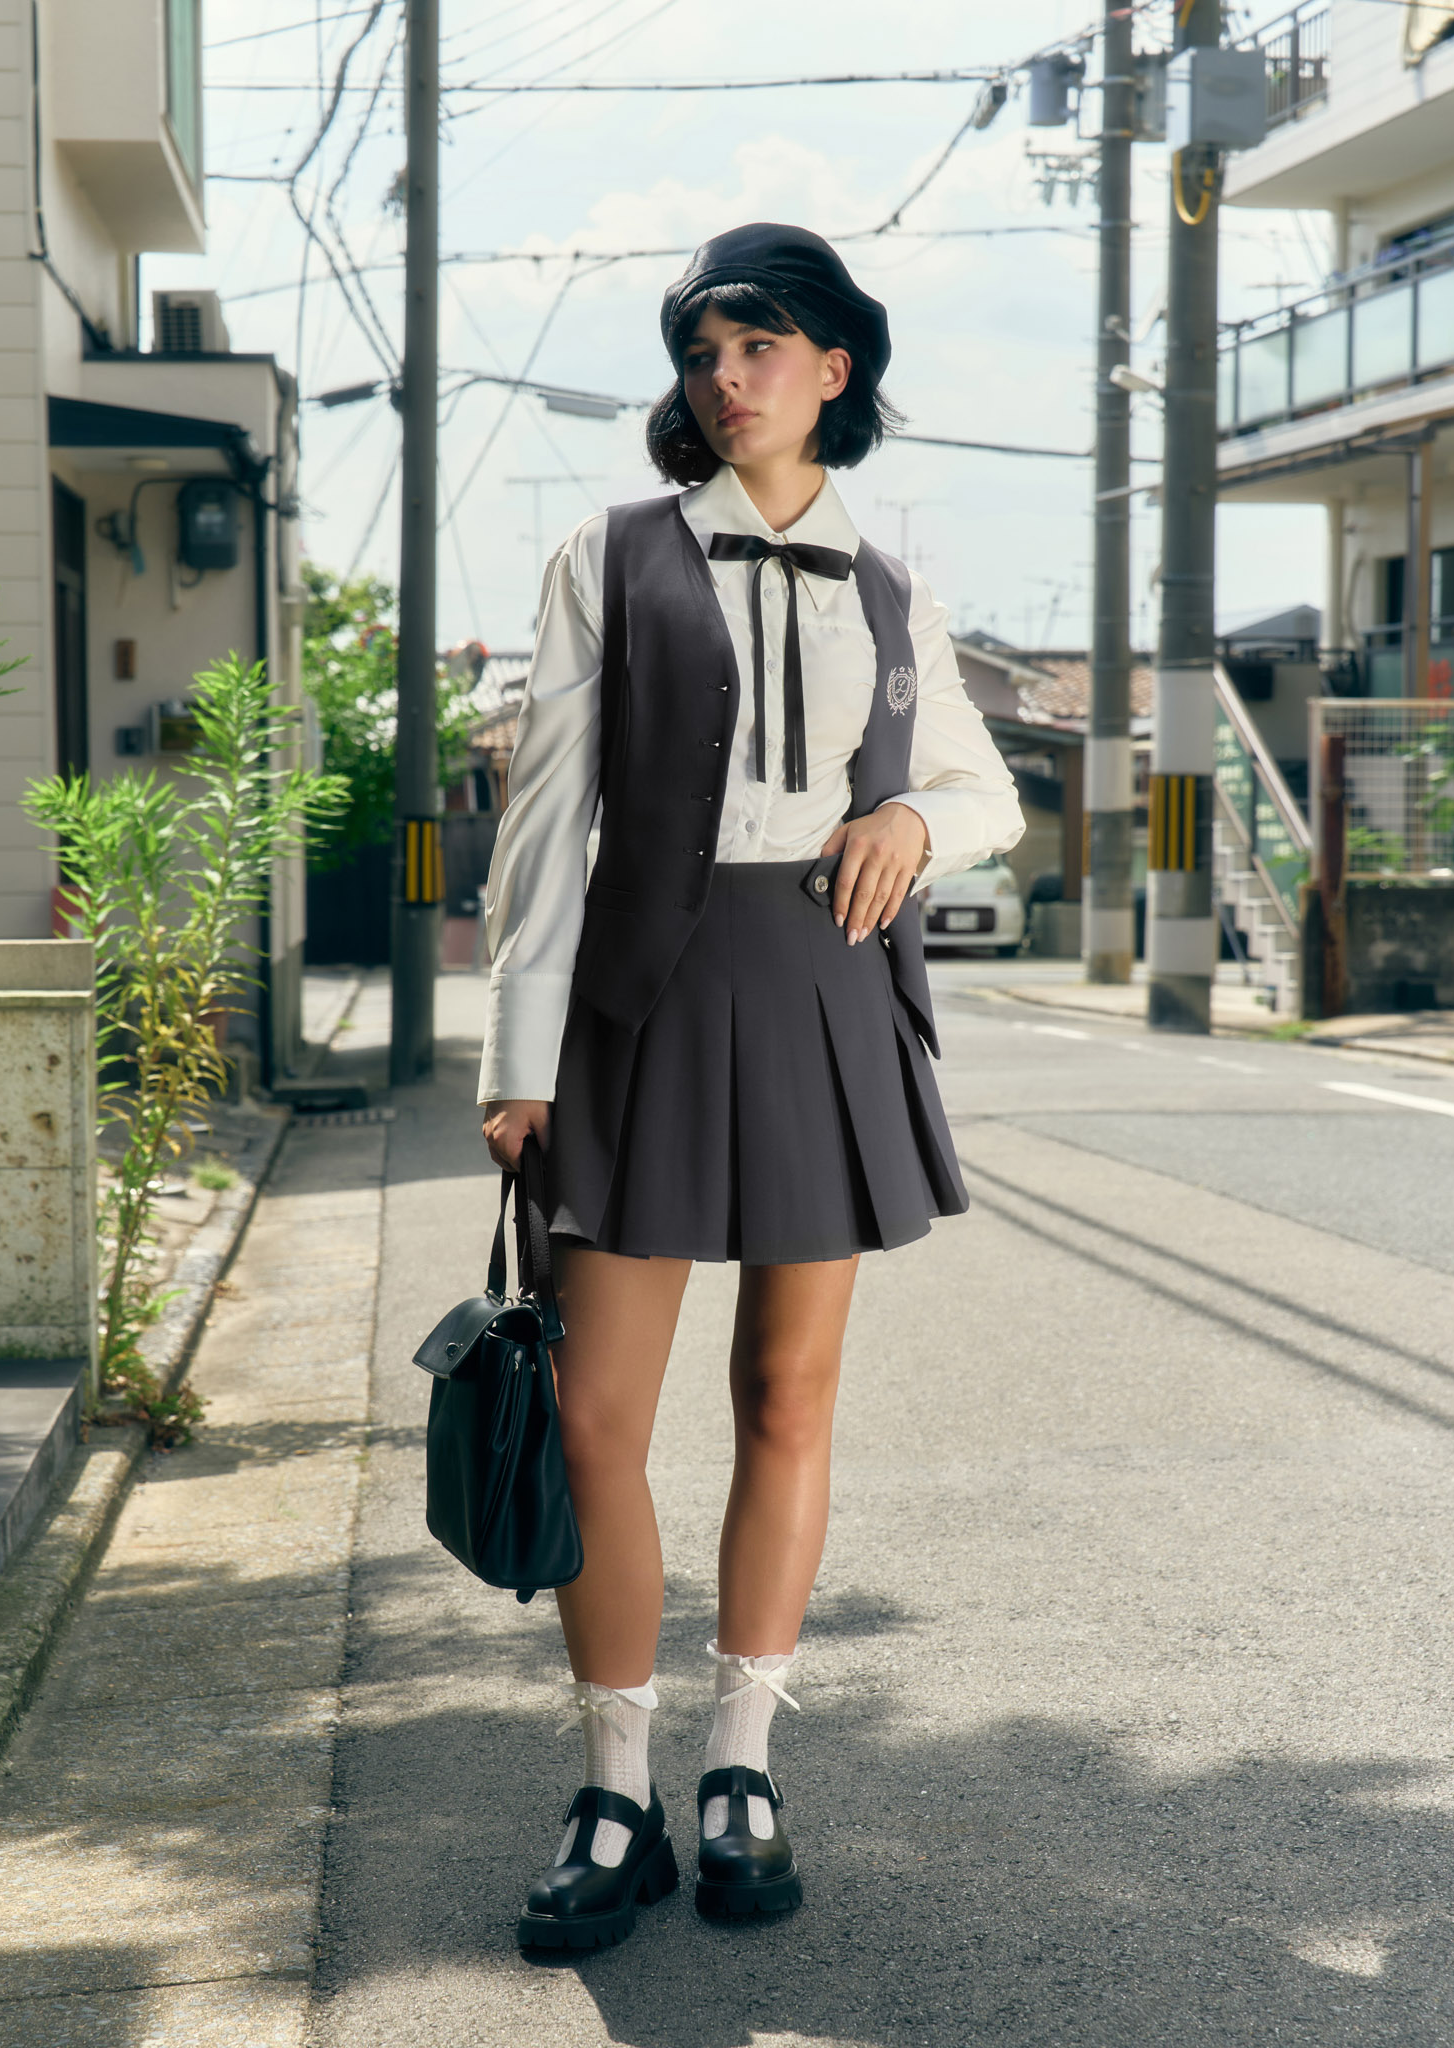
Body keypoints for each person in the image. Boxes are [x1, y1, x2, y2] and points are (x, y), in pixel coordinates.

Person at [479, 222, 1025, 1951]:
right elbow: (540, 829)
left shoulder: (889, 582)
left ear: (834, 369)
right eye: (705, 355)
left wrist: (915, 818)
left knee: (789, 1399)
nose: (727, 384)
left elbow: (982, 784)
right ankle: (616, 1780)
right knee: (594, 1417)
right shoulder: (608, 554)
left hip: (823, 1000)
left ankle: (742, 1765)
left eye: (761, 351)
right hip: (637, 1005)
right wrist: (516, 1060)